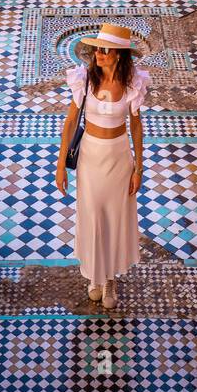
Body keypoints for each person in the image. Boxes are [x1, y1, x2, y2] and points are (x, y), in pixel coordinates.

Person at [55, 22, 149, 309]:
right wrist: (60, 166)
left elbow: (136, 126)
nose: (99, 54)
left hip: (119, 158)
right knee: (93, 215)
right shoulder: (84, 79)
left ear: (119, 54)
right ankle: (94, 277)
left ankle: (109, 278)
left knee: (112, 217)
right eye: (97, 49)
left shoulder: (133, 84)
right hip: (90, 158)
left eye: (105, 50)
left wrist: (139, 168)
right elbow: (71, 122)